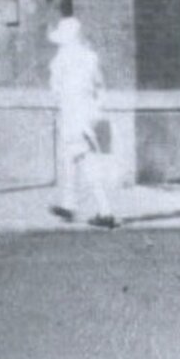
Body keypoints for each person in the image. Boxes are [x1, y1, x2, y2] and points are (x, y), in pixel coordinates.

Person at [47, 15, 117, 227]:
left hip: (72, 115)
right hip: (85, 114)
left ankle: (105, 212)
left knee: (85, 161)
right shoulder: (90, 58)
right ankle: (69, 206)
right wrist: (96, 111)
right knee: (72, 160)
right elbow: (100, 86)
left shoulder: (61, 59)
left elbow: (56, 89)